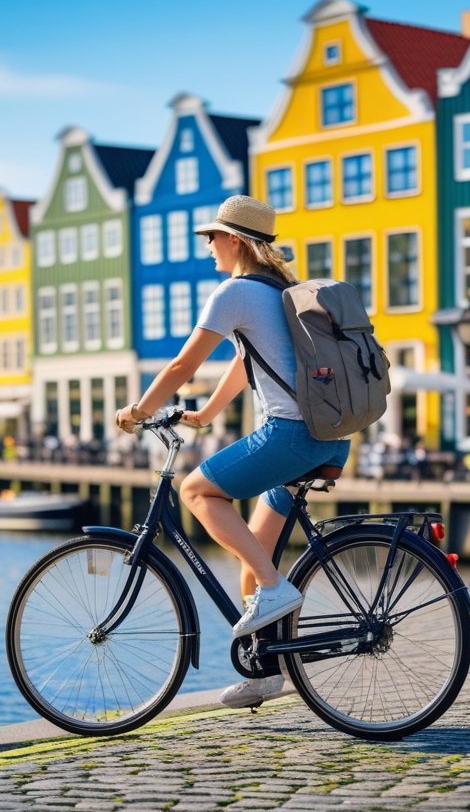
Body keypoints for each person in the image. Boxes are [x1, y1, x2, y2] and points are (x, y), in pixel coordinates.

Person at [115, 195, 350, 709]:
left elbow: (182, 366)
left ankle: (276, 589)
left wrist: (137, 410)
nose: (208, 246)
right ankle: (266, 672)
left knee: (197, 490)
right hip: (327, 433)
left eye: (213, 237)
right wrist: (205, 414)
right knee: (254, 556)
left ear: (236, 241)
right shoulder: (280, 289)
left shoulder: (236, 291)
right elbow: (247, 364)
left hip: (291, 434)